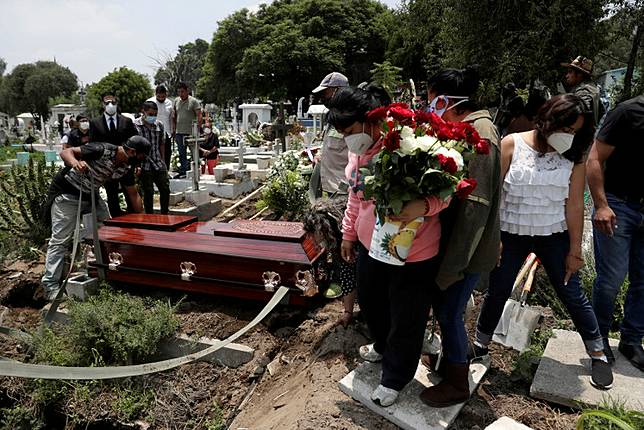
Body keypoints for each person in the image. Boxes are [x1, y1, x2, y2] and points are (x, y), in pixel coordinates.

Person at [473, 94, 613, 390]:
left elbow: (574, 204)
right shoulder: (512, 144)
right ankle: (480, 344)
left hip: (554, 235)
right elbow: (495, 197)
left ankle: (598, 353)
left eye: (575, 132)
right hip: (510, 233)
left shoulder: (574, 155)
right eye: (565, 129)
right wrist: (493, 238)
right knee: (498, 290)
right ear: (548, 121)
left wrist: (575, 250)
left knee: (571, 293)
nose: (568, 136)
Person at [327, 85, 450, 407]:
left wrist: (424, 206)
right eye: (342, 134)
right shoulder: (358, 152)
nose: (348, 140)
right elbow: (355, 197)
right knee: (372, 303)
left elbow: (447, 193)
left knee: (407, 315)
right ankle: (383, 346)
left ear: (370, 120)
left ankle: (395, 377)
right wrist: (348, 233)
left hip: (413, 251)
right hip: (372, 246)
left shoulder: (412, 146)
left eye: (350, 131)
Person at [417, 66, 501, 407]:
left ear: (445, 100)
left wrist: (454, 263)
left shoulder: (480, 133)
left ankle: (457, 383)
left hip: (467, 248)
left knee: (450, 311)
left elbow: (475, 207)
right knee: (445, 308)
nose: (428, 105)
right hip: (457, 243)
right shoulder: (466, 127)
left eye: (430, 99)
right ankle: (450, 363)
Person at [41, 137, 150, 301]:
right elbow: (66, 152)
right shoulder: (102, 149)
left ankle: (105, 272)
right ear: (132, 152)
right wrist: (75, 163)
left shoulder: (126, 166)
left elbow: (133, 194)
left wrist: (144, 222)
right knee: (60, 239)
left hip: (91, 195)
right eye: (141, 157)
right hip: (68, 194)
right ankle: (50, 286)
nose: (140, 162)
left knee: (107, 231)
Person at [586, 95, 644, 371]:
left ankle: (631, 340)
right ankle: (598, 339)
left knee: (643, 281)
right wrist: (601, 205)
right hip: (618, 205)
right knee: (611, 280)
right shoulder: (628, 112)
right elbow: (594, 158)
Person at [309, 71, 356, 325]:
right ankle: (342, 283)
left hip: (347, 196)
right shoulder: (332, 120)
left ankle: (351, 293)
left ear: (337, 91)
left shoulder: (352, 120)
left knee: (347, 247)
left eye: (326, 93)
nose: (323, 98)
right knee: (335, 245)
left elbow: (355, 157)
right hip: (331, 193)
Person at [89, 93, 138, 216]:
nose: (110, 105)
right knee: (112, 195)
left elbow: (135, 143)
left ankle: (133, 219)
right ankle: (116, 221)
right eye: (107, 103)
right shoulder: (95, 123)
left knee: (130, 193)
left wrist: (136, 164)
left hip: (126, 165)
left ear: (117, 104)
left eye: (113, 102)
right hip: (107, 167)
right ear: (102, 104)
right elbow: (93, 145)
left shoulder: (126, 121)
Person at [562, 56, 605, 152]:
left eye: (570, 72)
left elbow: (578, 112)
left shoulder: (583, 91)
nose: (567, 76)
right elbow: (601, 112)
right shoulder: (591, 88)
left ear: (579, 75)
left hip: (577, 142)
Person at [134, 101, 170, 214]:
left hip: (157, 161)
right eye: (150, 114)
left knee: (165, 189)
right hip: (144, 164)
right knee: (148, 192)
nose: (153, 117)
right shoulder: (135, 125)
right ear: (143, 112)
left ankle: (164, 214)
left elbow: (161, 143)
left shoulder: (159, 125)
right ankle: (150, 216)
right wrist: (136, 165)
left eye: (155, 114)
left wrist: (163, 160)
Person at [172, 82, 202, 178]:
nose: (181, 94)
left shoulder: (193, 101)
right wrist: (174, 129)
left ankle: (197, 170)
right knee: (181, 153)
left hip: (191, 132)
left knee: (194, 152)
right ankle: (183, 171)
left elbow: (199, 115)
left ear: (187, 91)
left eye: (182, 91)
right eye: (179, 92)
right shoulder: (176, 101)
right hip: (179, 132)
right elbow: (174, 116)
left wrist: (197, 129)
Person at [147, 85, 174, 170]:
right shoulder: (150, 102)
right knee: (154, 153)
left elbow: (171, 118)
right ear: (156, 94)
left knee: (167, 153)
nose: (161, 98)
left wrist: (172, 130)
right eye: (159, 97)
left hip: (166, 132)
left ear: (166, 94)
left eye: (163, 97)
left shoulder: (169, 103)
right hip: (153, 132)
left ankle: (166, 171)